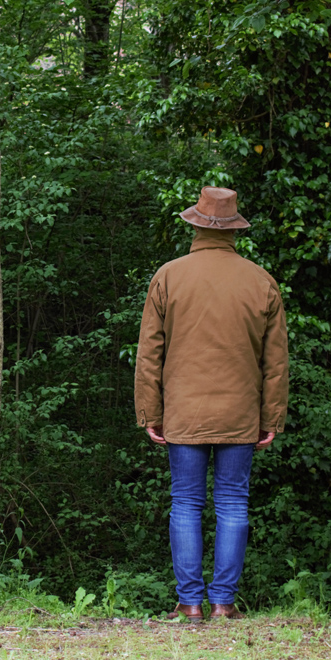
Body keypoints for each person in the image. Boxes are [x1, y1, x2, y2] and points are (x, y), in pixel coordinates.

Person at [134, 186, 289, 622]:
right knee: (234, 503)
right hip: (242, 412)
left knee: (185, 502)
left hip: (183, 411)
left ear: (195, 224)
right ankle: (223, 602)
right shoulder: (261, 281)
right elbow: (275, 362)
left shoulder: (168, 276)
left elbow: (150, 353)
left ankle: (189, 603)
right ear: (234, 230)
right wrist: (271, 415)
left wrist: (150, 411)